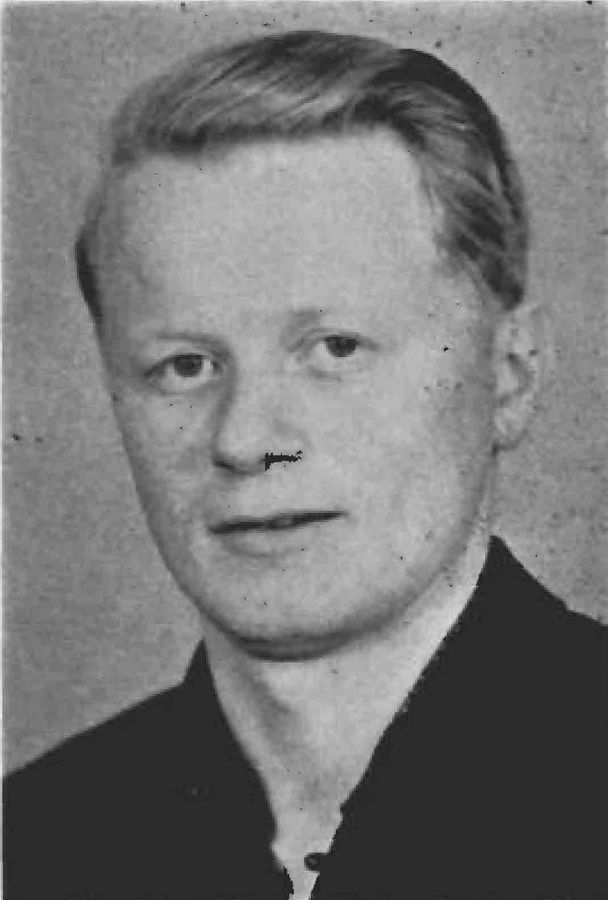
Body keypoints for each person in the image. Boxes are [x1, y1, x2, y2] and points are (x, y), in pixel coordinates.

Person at [4, 29, 606, 900]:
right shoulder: (32, 841)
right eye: (185, 366)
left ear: (510, 374)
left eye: (335, 348)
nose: (246, 439)